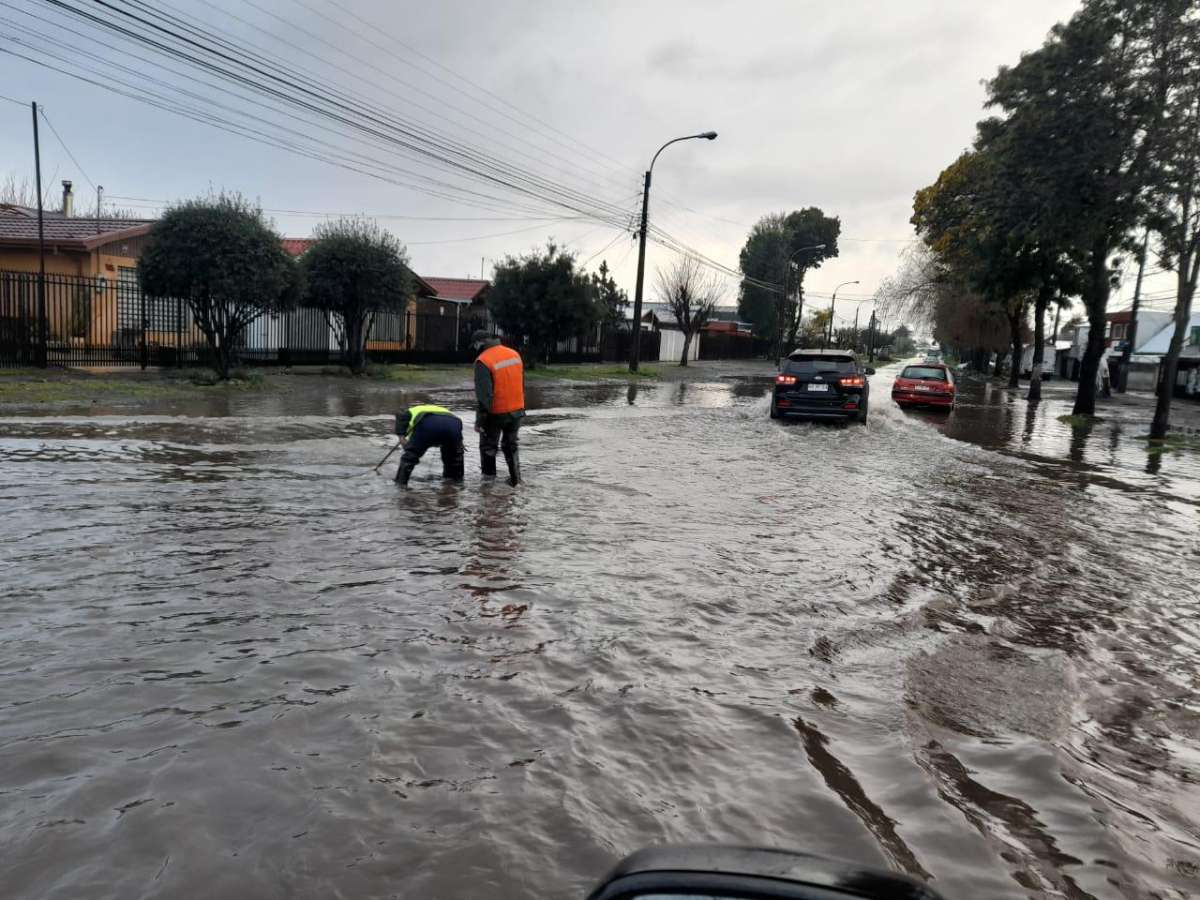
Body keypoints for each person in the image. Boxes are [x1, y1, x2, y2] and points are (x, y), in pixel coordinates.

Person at [471, 330, 524, 486]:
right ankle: (516, 481)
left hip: (496, 413)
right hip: (517, 410)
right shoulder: (514, 354)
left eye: (474, 346)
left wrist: (479, 422)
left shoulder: (483, 360)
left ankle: (488, 486)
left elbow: (484, 396)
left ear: (479, 343)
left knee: (488, 447)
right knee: (511, 446)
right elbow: (521, 383)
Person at [393, 403, 464, 487]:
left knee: (409, 458)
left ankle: (400, 484)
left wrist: (402, 438)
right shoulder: (444, 411)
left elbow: (400, 416)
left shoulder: (410, 411)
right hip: (454, 424)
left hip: (428, 425)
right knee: (454, 459)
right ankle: (455, 483)